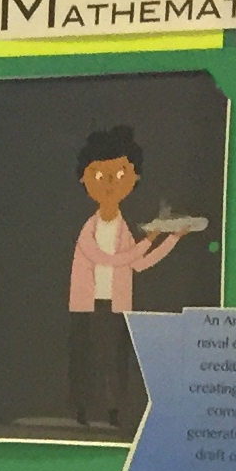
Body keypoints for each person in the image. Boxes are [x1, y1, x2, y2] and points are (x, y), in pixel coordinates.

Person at [66, 125, 186, 432]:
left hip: (117, 306)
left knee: (115, 360)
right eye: (99, 175)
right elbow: (108, 259)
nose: (109, 183)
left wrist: (171, 239)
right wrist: (149, 239)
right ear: (84, 178)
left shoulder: (123, 229)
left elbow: (139, 265)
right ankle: (82, 410)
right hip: (86, 306)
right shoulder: (87, 230)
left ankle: (113, 411)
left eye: (120, 175)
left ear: (133, 180)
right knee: (87, 359)